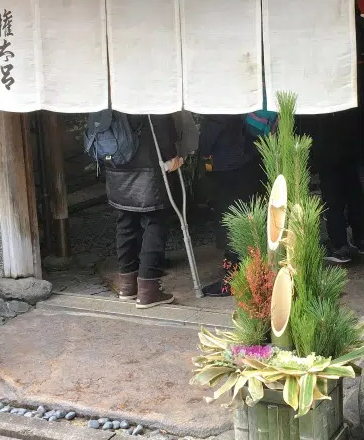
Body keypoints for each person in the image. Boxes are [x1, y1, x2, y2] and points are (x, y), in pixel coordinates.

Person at [304, 10, 364, 264]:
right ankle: (362, 238)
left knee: (333, 195)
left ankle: (339, 245)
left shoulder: (319, 73)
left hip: (327, 140)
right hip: (352, 136)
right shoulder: (354, 65)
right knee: (353, 189)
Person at [105, 114, 183, 309]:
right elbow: (164, 134)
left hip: (117, 167)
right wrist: (173, 156)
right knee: (155, 222)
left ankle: (127, 286)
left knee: (125, 222)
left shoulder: (112, 100)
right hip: (149, 169)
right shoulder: (151, 101)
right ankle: (148, 291)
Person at [198, 114, 262, 296]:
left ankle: (234, 277)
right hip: (247, 160)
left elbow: (207, 142)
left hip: (227, 166)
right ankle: (253, 271)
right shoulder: (242, 108)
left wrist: (205, 161)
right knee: (248, 215)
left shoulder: (218, 111)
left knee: (229, 221)